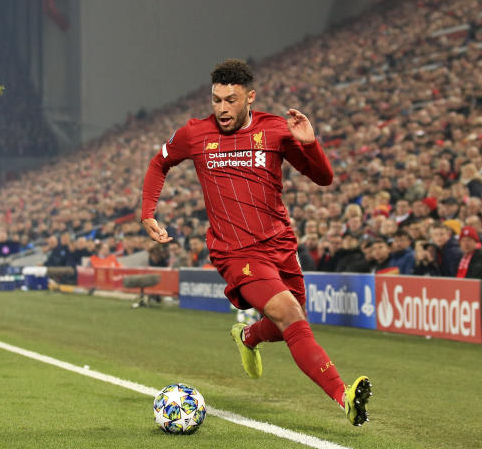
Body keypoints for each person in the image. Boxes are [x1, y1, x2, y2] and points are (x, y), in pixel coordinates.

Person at [141, 59, 371, 427]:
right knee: (290, 315)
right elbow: (158, 164)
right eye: (216, 100)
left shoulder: (276, 130)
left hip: (280, 243)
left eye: (230, 100)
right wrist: (148, 212)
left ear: (250, 98)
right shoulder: (194, 134)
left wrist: (311, 144)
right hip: (235, 252)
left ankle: (247, 335)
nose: (222, 108)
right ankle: (344, 396)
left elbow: (323, 177)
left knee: (292, 321)